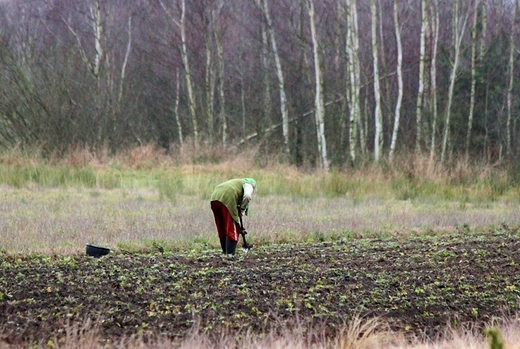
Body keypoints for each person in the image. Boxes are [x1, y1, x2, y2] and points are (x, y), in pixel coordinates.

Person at [210, 178, 257, 255]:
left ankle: (225, 252)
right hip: (227, 198)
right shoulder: (249, 184)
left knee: (222, 226)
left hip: (214, 197)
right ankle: (230, 254)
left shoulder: (236, 183)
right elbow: (247, 196)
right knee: (232, 226)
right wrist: (242, 209)